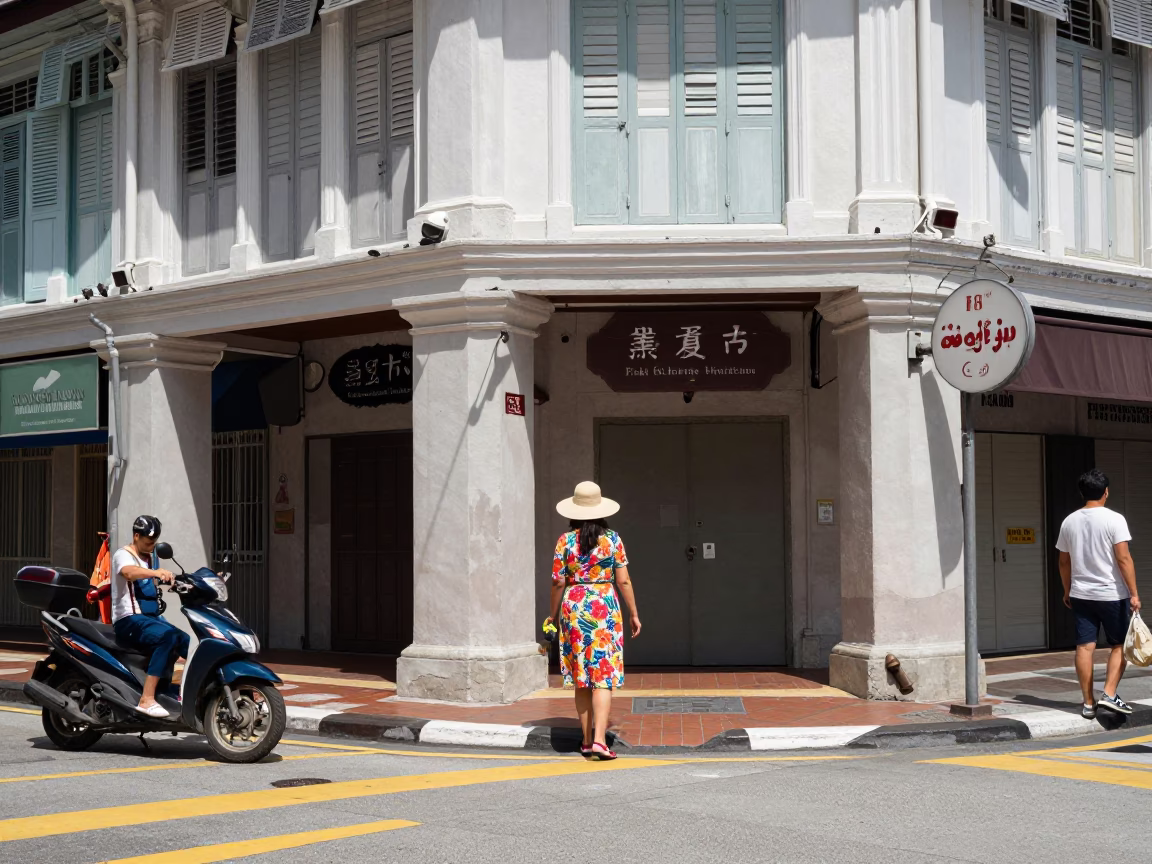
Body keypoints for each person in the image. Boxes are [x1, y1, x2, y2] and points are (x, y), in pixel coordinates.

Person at [549, 482, 641, 761]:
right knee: (602, 674)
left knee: (581, 676)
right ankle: (601, 740)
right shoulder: (612, 539)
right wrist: (634, 612)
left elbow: (558, 582)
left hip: (574, 606)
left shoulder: (565, 541)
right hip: (604, 605)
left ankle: (587, 740)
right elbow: (623, 579)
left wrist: (551, 616)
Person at [1057, 469, 1141, 719]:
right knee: (1118, 645)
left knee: (1084, 646)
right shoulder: (1114, 519)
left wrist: (1067, 589)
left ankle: (1087, 703)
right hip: (1112, 594)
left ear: (1082, 492)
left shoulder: (1069, 521)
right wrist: (1134, 593)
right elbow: (1124, 558)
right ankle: (1109, 694)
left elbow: (1063, 561)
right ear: (1106, 492)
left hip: (1081, 593)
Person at [110, 515, 189, 718]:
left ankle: (183, 690)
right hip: (128, 620)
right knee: (167, 637)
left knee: (187, 640)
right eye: (148, 542)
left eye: (154, 542)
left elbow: (148, 582)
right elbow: (129, 573)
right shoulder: (123, 555)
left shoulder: (150, 557)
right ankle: (146, 699)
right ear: (136, 536)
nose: (152, 546)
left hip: (149, 619)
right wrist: (155, 573)